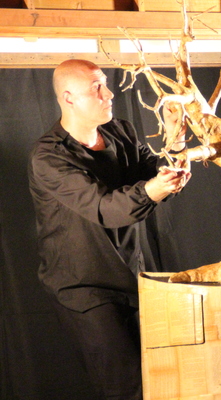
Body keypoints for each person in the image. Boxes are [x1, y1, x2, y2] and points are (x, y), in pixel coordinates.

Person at [28, 59, 191, 399]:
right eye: (96, 88)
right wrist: (154, 189)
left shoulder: (121, 132)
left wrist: (174, 142)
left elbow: (153, 170)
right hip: (85, 287)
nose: (109, 94)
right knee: (125, 387)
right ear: (69, 98)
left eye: (105, 83)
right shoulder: (49, 157)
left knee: (162, 378)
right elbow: (105, 208)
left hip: (131, 277)